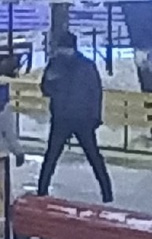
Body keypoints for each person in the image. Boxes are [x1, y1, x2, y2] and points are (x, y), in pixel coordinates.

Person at [37, 31, 113, 202]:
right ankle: (107, 193)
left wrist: (94, 117)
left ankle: (42, 190)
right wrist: (95, 117)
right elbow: (95, 92)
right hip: (76, 118)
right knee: (92, 156)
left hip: (69, 117)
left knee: (54, 156)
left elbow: (94, 92)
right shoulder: (83, 65)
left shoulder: (62, 65)